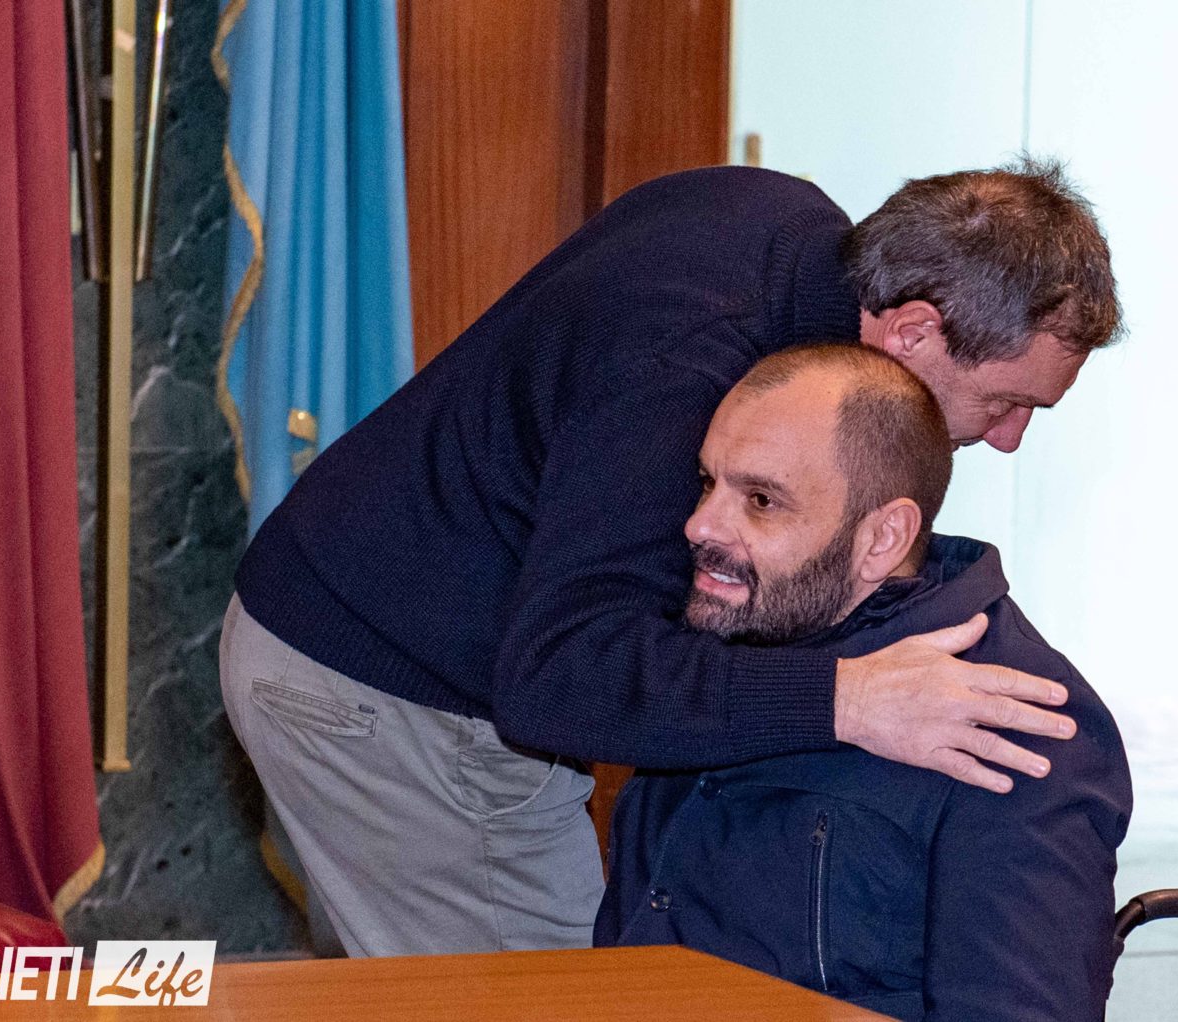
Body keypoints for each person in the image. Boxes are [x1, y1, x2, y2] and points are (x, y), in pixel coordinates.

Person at [218, 159, 1122, 956]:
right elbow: (560, 677)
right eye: (1007, 402)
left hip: (374, 614)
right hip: (386, 685)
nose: (1007, 439)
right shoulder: (691, 368)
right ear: (913, 330)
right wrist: (849, 700)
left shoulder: (781, 217)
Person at [595, 345, 1131, 1022]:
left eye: (760, 500)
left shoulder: (1015, 716)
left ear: (882, 539)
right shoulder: (715, 639)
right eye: (708, 483)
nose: (699, 526)